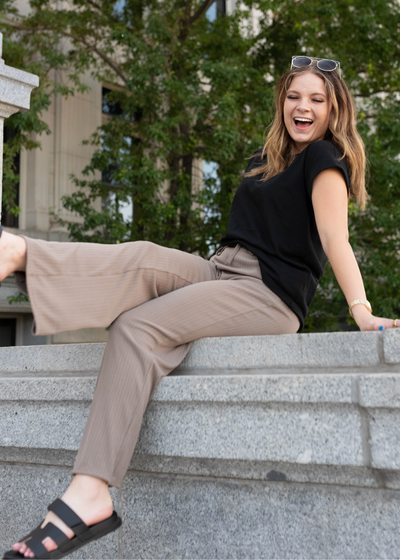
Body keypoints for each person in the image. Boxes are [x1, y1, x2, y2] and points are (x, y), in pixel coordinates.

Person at [2, 55, 398, 559]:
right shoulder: (268, 157)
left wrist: (361, 309)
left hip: (267, 294)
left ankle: (91, 492)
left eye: (317, 100)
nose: (304, 107)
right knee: (143, 257)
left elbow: (335, 240)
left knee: (137, 328)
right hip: (222, 269)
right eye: (295, 96)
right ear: (282, 101)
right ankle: (22, 255)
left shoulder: (325, 159)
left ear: (334, 109)